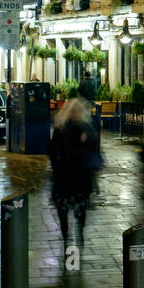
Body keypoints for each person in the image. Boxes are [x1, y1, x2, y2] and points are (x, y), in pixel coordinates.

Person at [48, 98, 102, 251]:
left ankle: (76, 233)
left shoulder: (83, 128)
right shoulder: (64, 128)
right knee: (66, 208)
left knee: (75, 208)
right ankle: (68, 236)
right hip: (70, 174)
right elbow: (53, 150)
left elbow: (93, 149)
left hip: (75, 174)